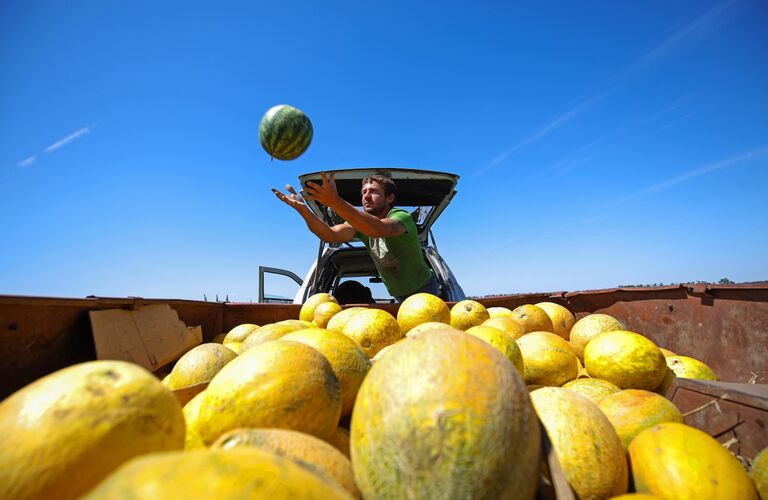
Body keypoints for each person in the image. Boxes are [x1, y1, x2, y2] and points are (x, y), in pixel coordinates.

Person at [272, 172, 439, 302]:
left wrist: (336, 202)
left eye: (373, 191)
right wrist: (304, 210)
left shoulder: (402, 217)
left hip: (424, 289)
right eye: (364, 192)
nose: (366, 196)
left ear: (390, 197)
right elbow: (329, 235)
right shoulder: (358, 224)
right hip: (398, 295)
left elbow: (378, 228)